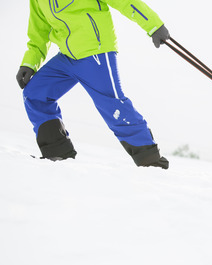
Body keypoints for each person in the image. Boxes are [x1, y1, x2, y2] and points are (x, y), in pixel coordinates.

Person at [16, 0, 170, 169]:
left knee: (112, 105)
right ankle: (57, 153)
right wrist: (30, 62)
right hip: (67, 56)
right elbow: (39, 31)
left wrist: (154, 25)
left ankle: (150, 160)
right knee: (35, 93)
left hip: (94, 50)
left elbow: (125, 2)